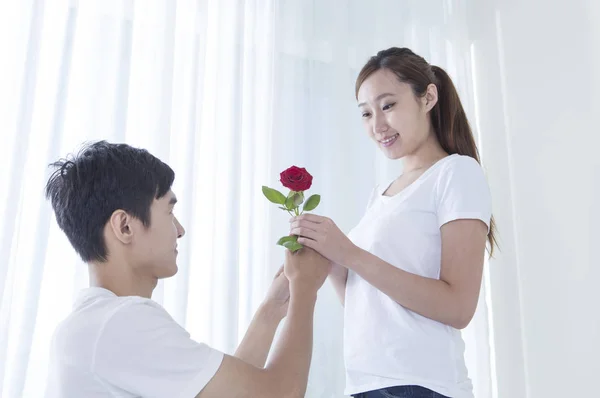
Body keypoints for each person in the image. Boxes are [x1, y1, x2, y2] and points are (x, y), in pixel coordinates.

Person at [43, 140, 331, 398]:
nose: (179, 230)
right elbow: (280, 394)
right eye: (169, 212)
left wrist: (272, 309)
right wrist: (305, 289)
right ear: (125, 226)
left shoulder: (95, 324)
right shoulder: (121, 323)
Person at [289, 47, 497, 398]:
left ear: (427, 97)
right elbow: (366, 301)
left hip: (422, 385)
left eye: (388, 106)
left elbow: (459, 307)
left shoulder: (457, 173)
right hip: (366, 383)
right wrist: (329, 258)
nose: (377, 126)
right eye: (366, 113)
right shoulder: (381, 194)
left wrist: (350, 254)